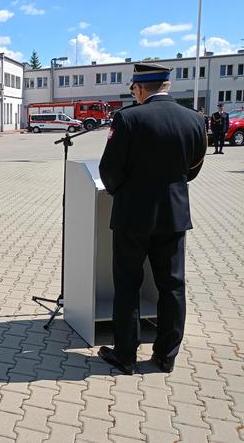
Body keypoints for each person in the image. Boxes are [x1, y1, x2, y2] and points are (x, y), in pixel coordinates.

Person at [98, 63, 206, 375]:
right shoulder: (193, 119)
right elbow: (194, 168)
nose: (134, 93)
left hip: (133, 216)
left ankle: (126, 355)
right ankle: (165, 355)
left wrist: (120, 190)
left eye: (133, 88)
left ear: (141, 88)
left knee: (129, 284)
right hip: (174, 215)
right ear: (166, 86)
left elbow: (110, 169)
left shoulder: (128, 118)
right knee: (172, 285)